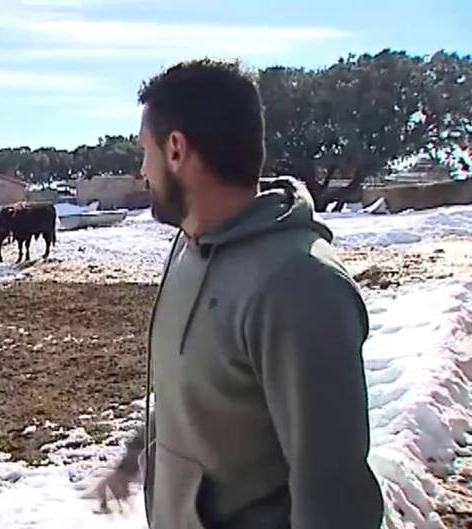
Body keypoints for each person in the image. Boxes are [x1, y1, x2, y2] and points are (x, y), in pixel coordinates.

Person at [89, 59, 384, 529]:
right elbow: (182, 388)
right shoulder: (186, 250)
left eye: (144, 151)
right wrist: (132, 462)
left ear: (177, 149)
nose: (142, 170)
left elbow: (333, 493)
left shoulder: (300, 286)